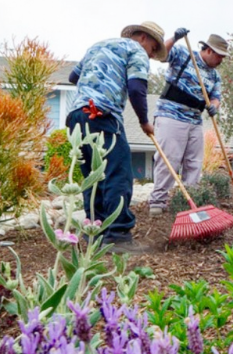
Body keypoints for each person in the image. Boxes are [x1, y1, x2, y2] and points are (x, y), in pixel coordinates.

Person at [66, 21, 166, 253]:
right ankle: (118, 236)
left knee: (93, 176)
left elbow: (73, 76)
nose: (150, 55)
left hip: (76, 117)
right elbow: (136, 88)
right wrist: (144, 121)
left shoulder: (98, 46)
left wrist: (97, 80)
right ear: (143, 38)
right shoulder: (136, 51)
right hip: (102, 115)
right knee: (118, 173)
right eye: (153, 49)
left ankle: (96, 233)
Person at [148, 30, 228, 215]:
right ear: (208, 50)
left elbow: (215, 97)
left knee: (194, 162)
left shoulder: (215, 76)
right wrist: (174, 38)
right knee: (170, 158)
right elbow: (161, 55)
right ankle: (158, 202)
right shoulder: (184, 54)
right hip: (171, 115)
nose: (221, 61)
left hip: (195, 119)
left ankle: (189, 200)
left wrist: (214, 106)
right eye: (220, 56)